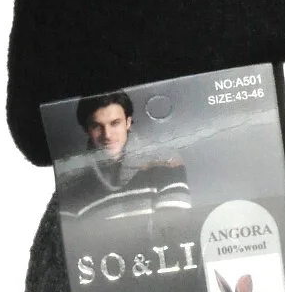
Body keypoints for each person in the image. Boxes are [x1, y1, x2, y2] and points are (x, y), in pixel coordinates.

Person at [59, 92, 190, 220]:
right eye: (97, 126)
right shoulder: (71, 183)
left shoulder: (165, 160)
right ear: (86, 130)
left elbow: (176, 227)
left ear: (128, 123)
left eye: (115, 123)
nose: (107, 135)